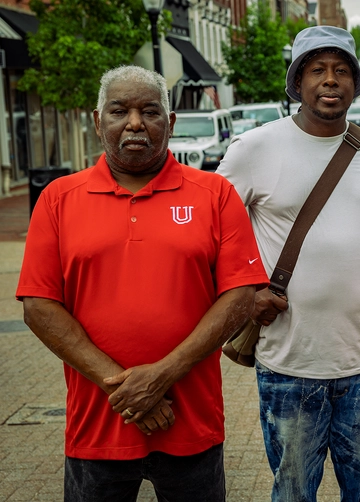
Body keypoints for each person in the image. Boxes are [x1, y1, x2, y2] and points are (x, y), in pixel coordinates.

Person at [16, 65, 269, 501]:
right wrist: (130, 388)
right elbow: (38, 306)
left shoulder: (215, 194)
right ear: (98, 122)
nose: (134, 122)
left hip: (190, 425)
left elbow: (241, 295)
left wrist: (163, 374)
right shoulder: (58, 199)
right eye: (119, 111)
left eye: (149, 111)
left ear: (168, 123)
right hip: (96, 427)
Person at [216, 26, 360, 501]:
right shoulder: (254, 149)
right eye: (318, 70)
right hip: (288, 366)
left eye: (341, 70)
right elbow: (212, 234)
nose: (331, 80)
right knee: (292, 494)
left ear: (354, 82)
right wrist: (248, 293)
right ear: (298, 82)